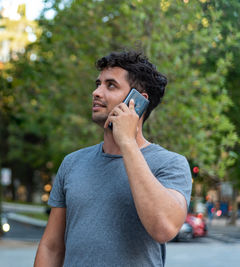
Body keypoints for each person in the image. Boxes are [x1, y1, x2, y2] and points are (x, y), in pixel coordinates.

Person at [34, 51, 192, 267]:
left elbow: (164, 228)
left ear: (137, 102)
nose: (96, 92)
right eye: (98, 83)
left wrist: (127, 142)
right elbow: (51, 247)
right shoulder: (72, 163)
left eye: (110, 85)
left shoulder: (171, 164)